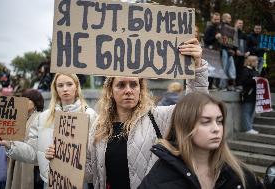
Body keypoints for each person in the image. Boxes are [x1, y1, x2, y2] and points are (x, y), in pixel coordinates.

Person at [84, 38, 209, 189]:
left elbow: (195, 108)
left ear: (140, 89)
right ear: (110, 91)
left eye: (133, 84)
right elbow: (91, 174)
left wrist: (197, 67)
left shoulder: (157, 117)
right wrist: (62, 158)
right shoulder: (98, 126)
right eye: (121, 85)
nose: (128, 90)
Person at [138, 92, 264, 189]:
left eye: (219, 121)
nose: (216, 129)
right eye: (205, 122)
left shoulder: (239, 173)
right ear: (186, 127)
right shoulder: (161, 176)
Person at [0, 73, 97, 188]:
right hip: (50, 182)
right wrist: (8, 143)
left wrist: (71, 156)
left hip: (80, 184)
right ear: (55, 89)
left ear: (76, 87)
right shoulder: (43, 118)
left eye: (69, 84)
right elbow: (32, 153)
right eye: (60, 85)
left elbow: (97, 156)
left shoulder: (90, 115)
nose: (65, 89)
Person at [5, 89, 44, 189]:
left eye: (28, 99)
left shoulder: (39, 117)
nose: (24, 102)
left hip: (32, 166)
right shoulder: (22, 118)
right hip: (18, 160)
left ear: (36, 103)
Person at [240, 56, 259, 134]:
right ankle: (248, 128)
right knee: (246, 111)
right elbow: (244, 82)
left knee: (251, 112)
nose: (257, 62)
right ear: (252, 62)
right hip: (248, 94)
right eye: (256, 61)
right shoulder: (246, 70)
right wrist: (254, 80)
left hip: (254, 94)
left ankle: (249, 127)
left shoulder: (255, 70)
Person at [203, 12, 221, 90]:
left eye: (218, 19)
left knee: (214, 69)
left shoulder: (218, 28)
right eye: (215, 19)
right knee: (209, 69)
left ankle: (211, 85)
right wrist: (215, 37)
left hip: (216, 51)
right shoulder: (209, 28)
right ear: (212, 19)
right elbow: (206, 40)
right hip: (210, 52)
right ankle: (207, 86)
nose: (217, 20)